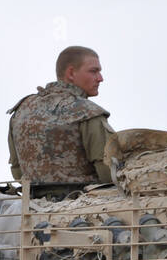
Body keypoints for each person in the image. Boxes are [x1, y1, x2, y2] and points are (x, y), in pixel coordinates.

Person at [7, 46, 115, 186]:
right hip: (84, 203)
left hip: (33, 204)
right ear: (71, 73)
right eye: (93, 71)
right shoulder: (88, 113)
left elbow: (17, 169)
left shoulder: (22, 110)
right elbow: (109, 173)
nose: (100, 78)